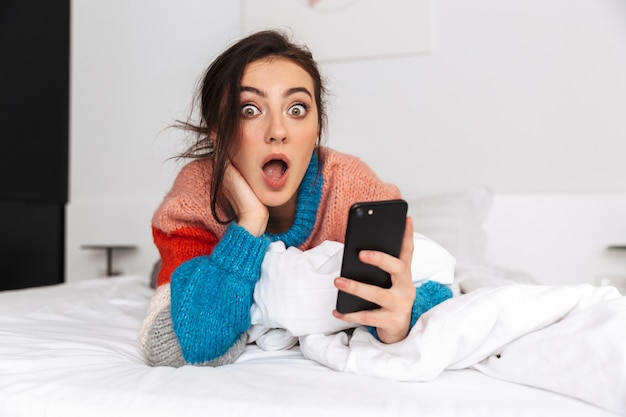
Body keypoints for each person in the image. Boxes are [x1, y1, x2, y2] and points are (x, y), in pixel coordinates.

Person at [139, 29, 453, 367]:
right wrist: (249, 224)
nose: (278, 131)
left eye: (297, 109)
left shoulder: (353, 188)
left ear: (317, 127)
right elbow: (181, 348)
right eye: (249, 110)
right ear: (218, 130)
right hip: (205, 248)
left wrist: (399, 321)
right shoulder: (195, 200)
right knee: (171, 277)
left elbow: (432, 290)